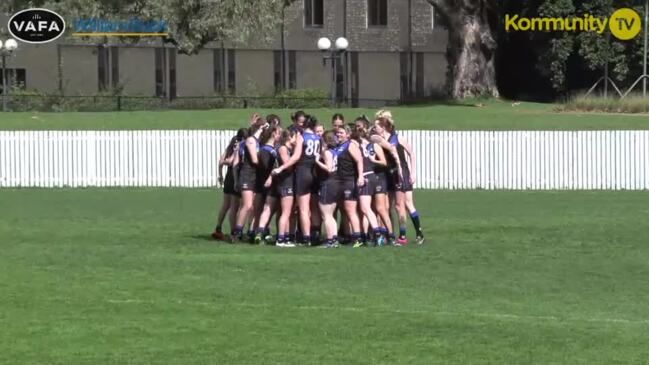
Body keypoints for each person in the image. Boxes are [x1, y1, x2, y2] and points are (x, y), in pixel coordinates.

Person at [373, 110, 424, 245]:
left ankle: (407, 235)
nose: (374, 128)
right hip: (389, 174)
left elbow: (411, 154)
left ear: (383, 126)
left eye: (376, 126)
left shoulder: (398, 138)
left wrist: (413, 173)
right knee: (389, 205)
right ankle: (389, 234)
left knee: (403, 204)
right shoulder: (379, 140)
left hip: (401, 173)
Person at [272, 114, 322, 246]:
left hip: (303, 172)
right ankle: (314, 235)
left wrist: (281, 168)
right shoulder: (318, 138)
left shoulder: (302, 137)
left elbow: (295, 157)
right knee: (313, 208)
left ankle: (306, 238)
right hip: (314, 172)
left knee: (304, 209)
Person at [354, 117, 389, 246]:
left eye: (359, 126)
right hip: (371, 176)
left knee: (366, 208)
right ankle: (371, 235)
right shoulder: (365, 142)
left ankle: (377, 234)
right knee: (367, 209)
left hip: (366, 176)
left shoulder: (360, 143)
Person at [232, 117, 267, 241]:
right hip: (247, 174)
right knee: (246, 205)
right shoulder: (250, 140)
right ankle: (237, 232)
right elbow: (254, 160)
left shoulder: (259, 142)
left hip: (255, 176)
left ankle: (251, 231)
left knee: (254, 207)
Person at [334, 125, 366, 247]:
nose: (339, 134)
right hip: (340, 181)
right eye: (338, 133)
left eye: (341, 132)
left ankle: (358, 238)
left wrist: (361, 176)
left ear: (348, 134)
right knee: (345, 210)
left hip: (349, 180)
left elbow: (359, 160)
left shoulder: (350, 145)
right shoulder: (339, 147)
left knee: (351, 210)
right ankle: (349, 235)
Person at [212, 128, 246, 240]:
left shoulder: (231, 144)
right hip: (234, 177)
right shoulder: (239, 145)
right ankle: (233, 231)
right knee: (234, 207)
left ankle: (218, 228)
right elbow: (230, 161)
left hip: (228, 177)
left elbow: (221, 161)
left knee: (226, 205)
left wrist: (220, 175)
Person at [254, 125, 282, 245]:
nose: (280, 136)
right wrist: (271, 176)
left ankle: (262, 232)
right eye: (279, 133)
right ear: (274, 134)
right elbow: (266, 167)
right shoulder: (267, 150)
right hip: (272, 184)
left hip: (271, 183)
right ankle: (261, 232)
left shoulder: (268, 149)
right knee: (270, 208)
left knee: (271, 209)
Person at [271, 129, 298, 248]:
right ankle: (280, 239)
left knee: (288, 212)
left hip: (288, 182)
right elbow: (287, 166)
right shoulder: (283, 148)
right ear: (289, 137)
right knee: (285, 212)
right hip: (285, 183)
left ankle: (286, 238)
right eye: (295, 137)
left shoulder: (288, 149)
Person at [315, 131, 341, 248]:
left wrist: (317, 161)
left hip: (328, 183)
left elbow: (329, 168)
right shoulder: (334, 151)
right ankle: (334, 239)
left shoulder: (327, 152)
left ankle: (330, 240)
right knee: (330, 214)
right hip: (335, 182)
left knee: (326, 215)